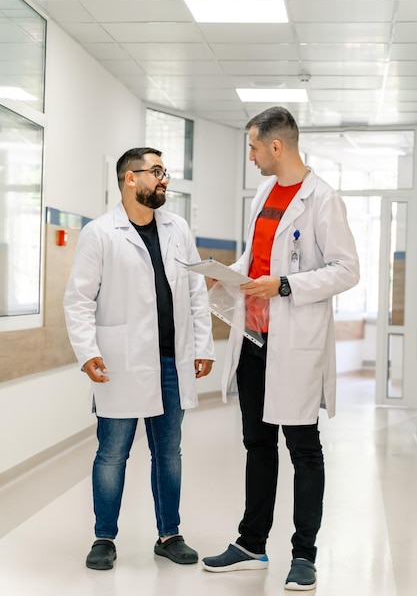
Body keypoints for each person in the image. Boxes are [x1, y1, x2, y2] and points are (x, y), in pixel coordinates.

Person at [201, 107, 359, 590]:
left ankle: (304, 556)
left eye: (252, 147)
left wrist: (286, 285)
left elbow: (346, 269)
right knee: (257, 443)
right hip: (254, 339)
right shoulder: (265, 193)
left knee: (304, 449)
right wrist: (229, 273)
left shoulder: (323, 200)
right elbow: (257, 256)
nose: (249, 156)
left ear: (276, 146)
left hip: (294, 343)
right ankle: (252, 544)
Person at [64, 147, 215, 570]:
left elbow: (194, 292)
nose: (164, 179)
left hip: (171, 361)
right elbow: (78, 300)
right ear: (130, 178)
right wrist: (87, 351)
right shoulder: (100, 232)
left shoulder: (178, 228)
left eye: (164, 171)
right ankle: (104, 538)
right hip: (120, 362)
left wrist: (202, 346)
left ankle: (169, 534)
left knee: (169, 453)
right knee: (112, 454)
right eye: (156, 171)